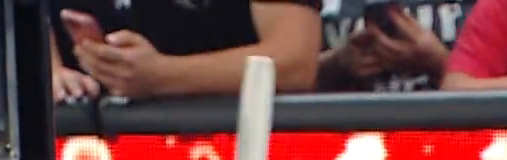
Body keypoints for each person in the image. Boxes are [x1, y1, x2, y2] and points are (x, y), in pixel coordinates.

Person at [49, 0, 320, 101]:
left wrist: (160, 75)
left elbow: (293, 62)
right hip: (83, 157)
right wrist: (50, 72)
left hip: (235, 145)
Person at [318, 0, 469, 92]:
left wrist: (440, 63)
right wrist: (335, 64)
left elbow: (482, 85)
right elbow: (303, 75)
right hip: (351, 126)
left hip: (446, 127)